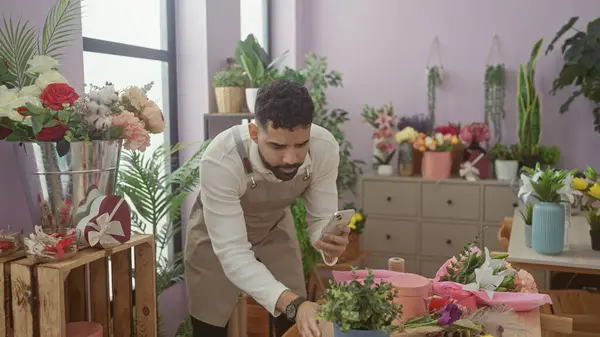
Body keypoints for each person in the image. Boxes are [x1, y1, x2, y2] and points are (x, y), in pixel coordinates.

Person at [184, 79, 351, 337]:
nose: (291, 158)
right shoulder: (221, 160)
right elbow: (233, 252)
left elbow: (320, 220)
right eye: (277, 146)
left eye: (300, 144)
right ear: (253, 133)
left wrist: (328, 240)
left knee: (295, 323)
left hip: (274, 227)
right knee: (209, 328)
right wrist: (294, 305)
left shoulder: (324, 148)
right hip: (214, 238)